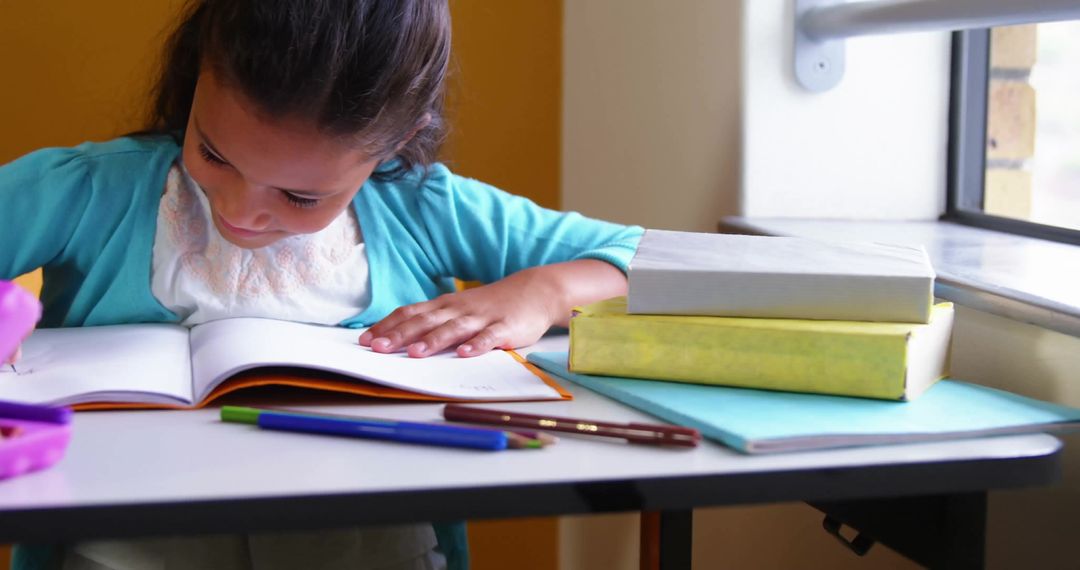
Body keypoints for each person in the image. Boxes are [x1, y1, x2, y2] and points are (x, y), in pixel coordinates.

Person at [0, 1, 641, 569]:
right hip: (122, 551)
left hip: (372, 548)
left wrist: (543, 292)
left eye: (302, 196)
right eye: (215, 154)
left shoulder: (420, 206)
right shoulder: (92, 189)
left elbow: (655, 259)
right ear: (198, 73)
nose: (242, 212)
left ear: (398, 140)